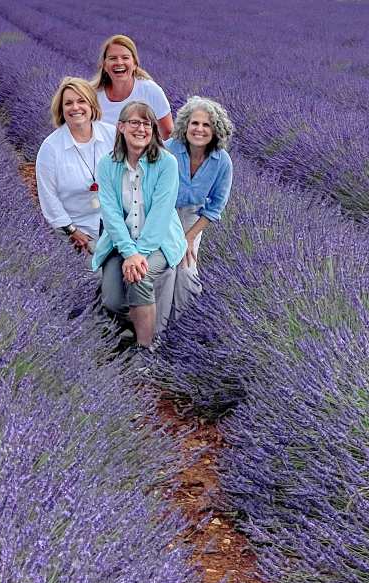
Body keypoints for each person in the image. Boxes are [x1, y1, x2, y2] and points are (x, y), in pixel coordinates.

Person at [92, 102, 186, 349]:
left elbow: (161, 215)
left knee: (139, 278)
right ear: (121, 127)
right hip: (120, 243)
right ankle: (129, 329)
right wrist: (128, 252)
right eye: (134, 122)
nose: (141, 129)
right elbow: (110, 214)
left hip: (158, 242)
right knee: (112, 300)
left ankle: (146, 348)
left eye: (147, 124)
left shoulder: (167, 163)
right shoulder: (107, 164)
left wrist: (139, 254)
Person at [159, 96, 234, 323]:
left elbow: (215, 207)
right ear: (185, 125)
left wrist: (188, 238)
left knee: (186, 275)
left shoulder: (222, 162)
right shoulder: (168, 150)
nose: (199, 129)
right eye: (195, 123)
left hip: (193, 218)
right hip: (163, 215)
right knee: (165, 271)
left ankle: (182, 330)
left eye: (206, 125)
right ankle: (155, 332)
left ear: (215, 130)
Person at [36, 76, 116, 254]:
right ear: (61, 109)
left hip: (115, 225)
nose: (75, 107)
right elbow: (48, 197)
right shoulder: (51, 148)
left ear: (92, 105)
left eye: (82, 101)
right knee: (92, 277)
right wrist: (72, 230)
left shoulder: (112, 135)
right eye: (68, 103)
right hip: (77, 229)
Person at [89, 35, 173, 140]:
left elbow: (168, 133)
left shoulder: (150, 90)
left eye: (125, 58)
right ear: (104, 65)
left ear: (135, 64)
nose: (119, 62)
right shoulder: (92, 95)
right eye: (113, 58)